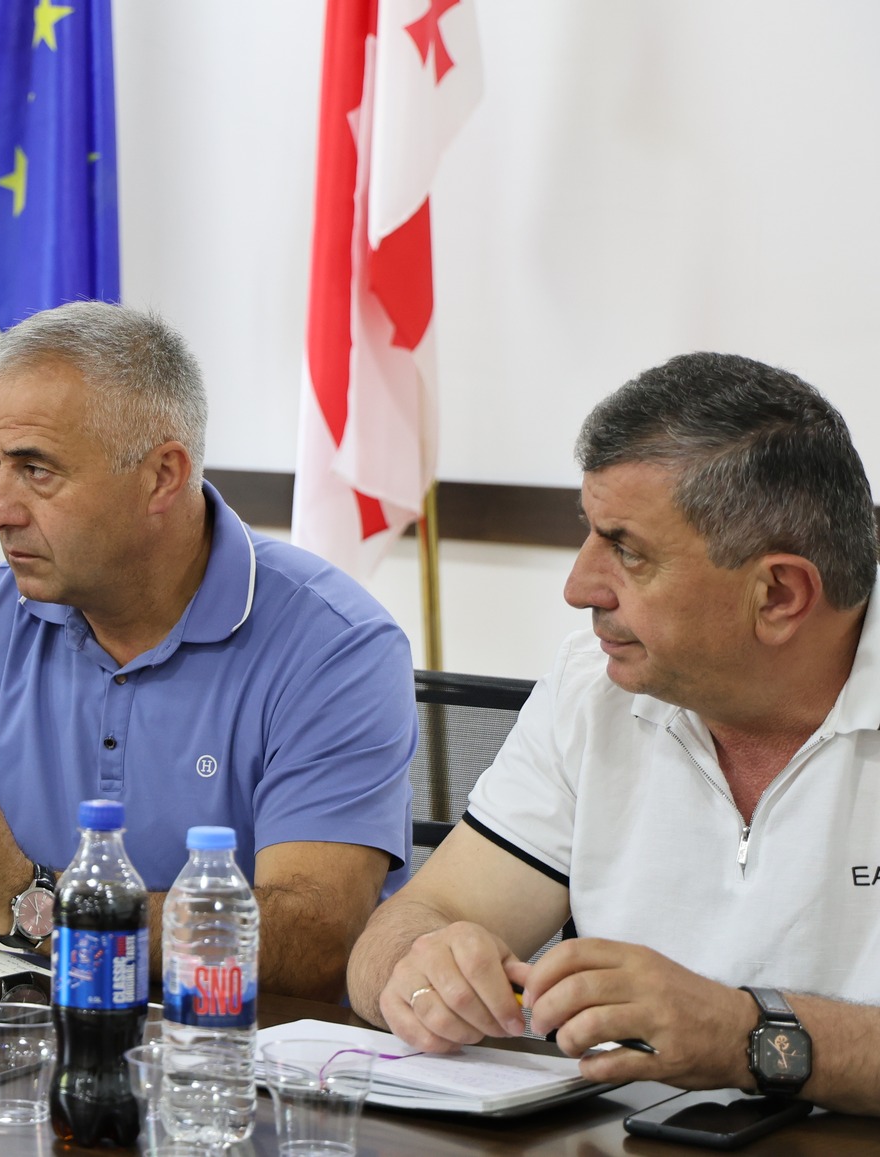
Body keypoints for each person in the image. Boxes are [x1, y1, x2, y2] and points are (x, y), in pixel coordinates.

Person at [0, 302, 418, 1001]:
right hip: (37, 1046)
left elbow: (315, 938)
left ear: (162, 475)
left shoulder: (335, 646)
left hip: (240, 1054)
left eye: (37, 470)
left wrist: (34, 900)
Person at [347, 353, 880, 1113]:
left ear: (778, 593)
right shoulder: (591, 685)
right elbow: (395, 936)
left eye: (627, 549)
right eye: (590, 534)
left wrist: (746, 1035)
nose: (578, 586)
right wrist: (420, 968)